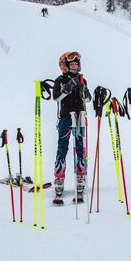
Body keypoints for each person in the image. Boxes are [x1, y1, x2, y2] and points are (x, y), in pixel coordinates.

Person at [52, 51, 90, 205]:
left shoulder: (82, 79)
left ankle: (80, 184)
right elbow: (56, 97)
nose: (75, 66)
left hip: (80, 117)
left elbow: (87, 99)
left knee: (80, 150)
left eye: (76, 63)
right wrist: (67, 87)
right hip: (65, 118)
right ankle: (59, 185)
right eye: (72, 64)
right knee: (62, 150)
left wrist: (83, 90)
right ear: (65, 66)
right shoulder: (59, 80)